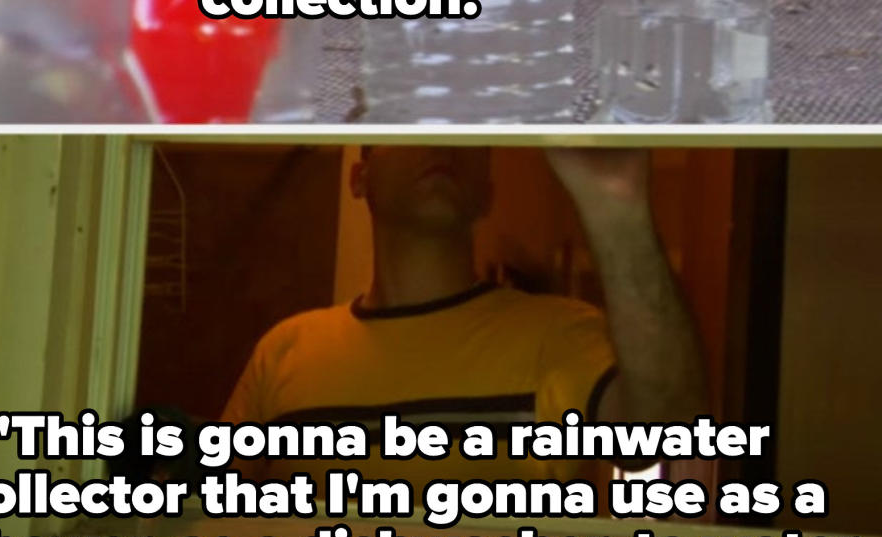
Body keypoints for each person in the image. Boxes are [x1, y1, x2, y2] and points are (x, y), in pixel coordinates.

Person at [222, 146, 706, 486]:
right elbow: (209, 515)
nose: (444, 138)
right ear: (359, 178)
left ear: (488, 193)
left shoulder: (560, 336)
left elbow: (669, 434)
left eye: (467, 126)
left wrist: (618, 203)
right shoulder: (285, 350)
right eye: (410, 118)